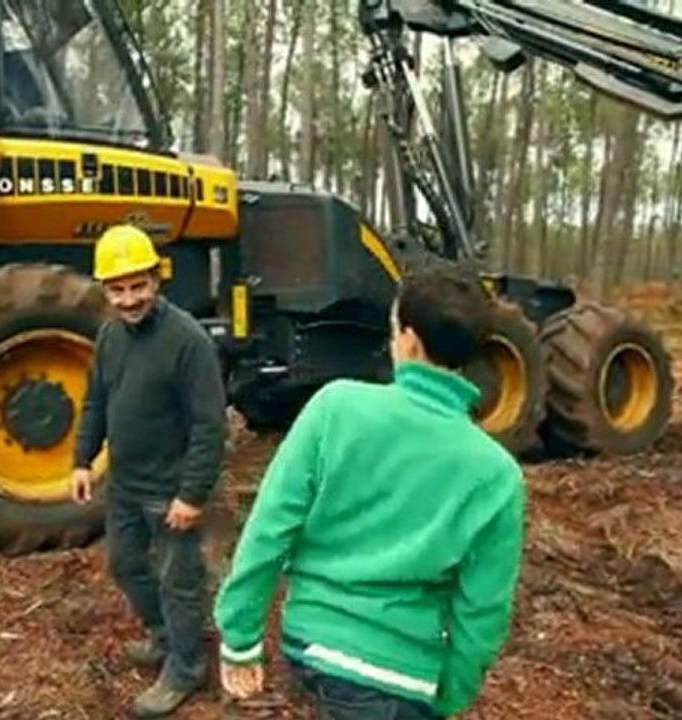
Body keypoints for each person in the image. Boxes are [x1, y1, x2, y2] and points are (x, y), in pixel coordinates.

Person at [213, 261, 527, 719]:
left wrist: (240, 639)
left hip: (314, 649)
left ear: (410, 339)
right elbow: (483, 609)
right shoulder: (498, 474)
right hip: (404, 675)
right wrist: (447, 694)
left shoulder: (335, 407)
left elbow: (270, 527)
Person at [72, 224, 228, 718]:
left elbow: (210, 426)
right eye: (117, 289)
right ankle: (165, 637)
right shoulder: (109, 337)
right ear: (105, 290)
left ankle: (185, 667)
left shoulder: (188, 341)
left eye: (138, 285)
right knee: (125, 564)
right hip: (126, 483)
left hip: (172, 487)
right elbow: (97, 400)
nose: (129, 299)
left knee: (179, 580)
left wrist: (193, 494)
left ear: (156, 280)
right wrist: (82, 459)